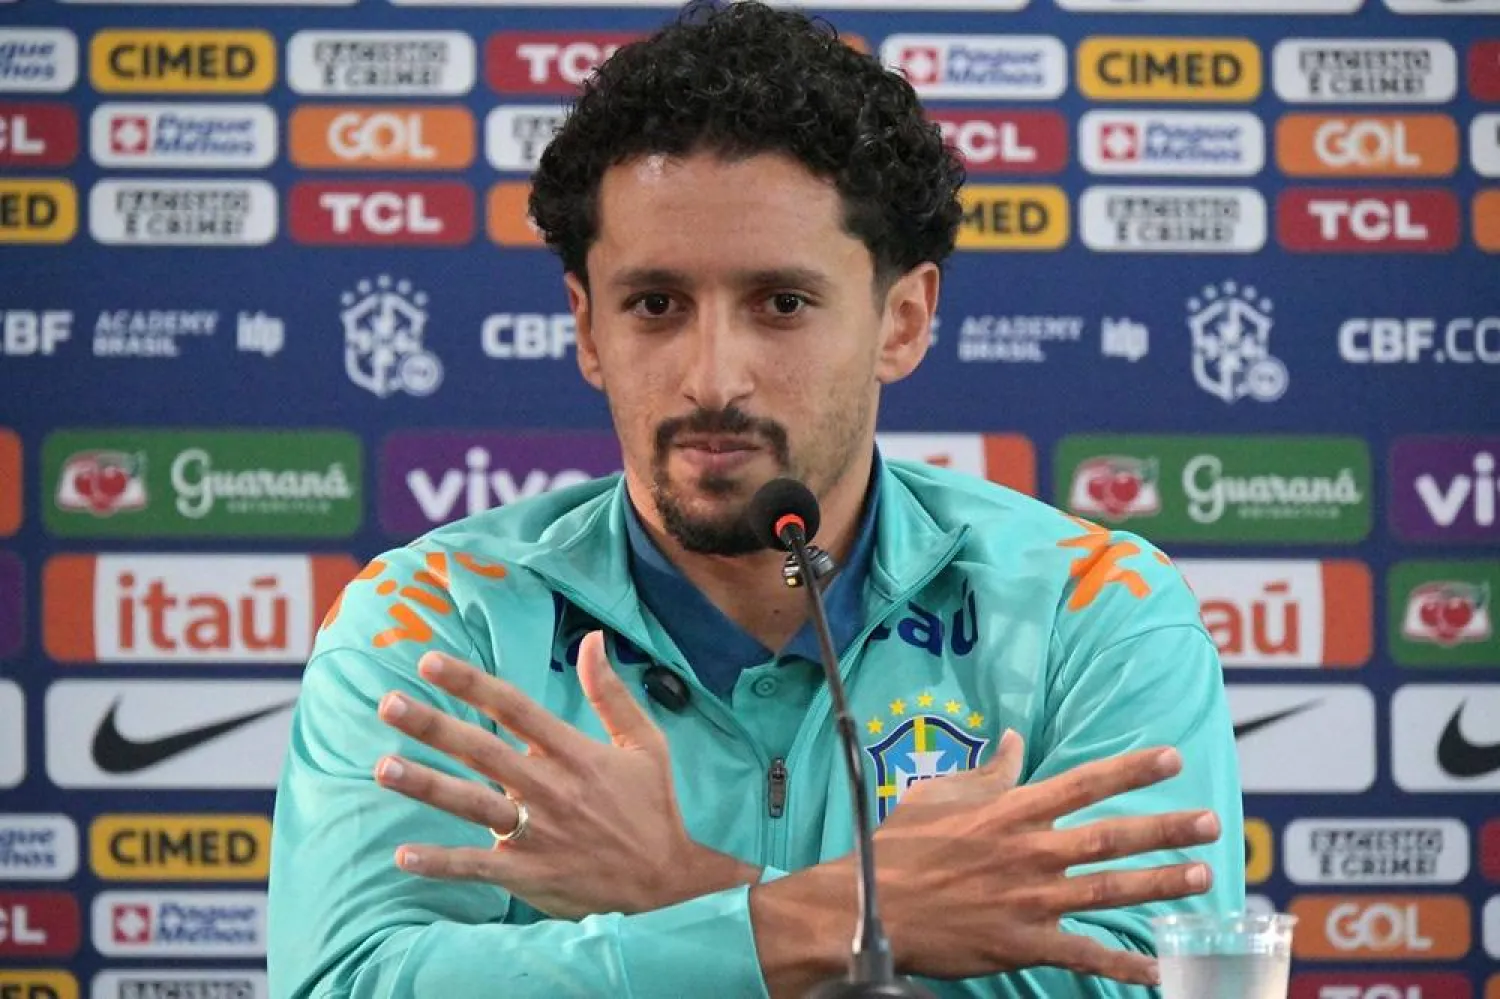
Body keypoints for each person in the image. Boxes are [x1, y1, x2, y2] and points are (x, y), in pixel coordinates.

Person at [266, 3, 1245, 996]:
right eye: (656, 305)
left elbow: (1153, 981)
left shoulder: (1091, 608)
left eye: (781, 304)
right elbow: (347, 983)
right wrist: (835, 922)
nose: (712, 379)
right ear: (589, 329)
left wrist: (679, 890)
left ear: (902, 322)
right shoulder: (441, 617)